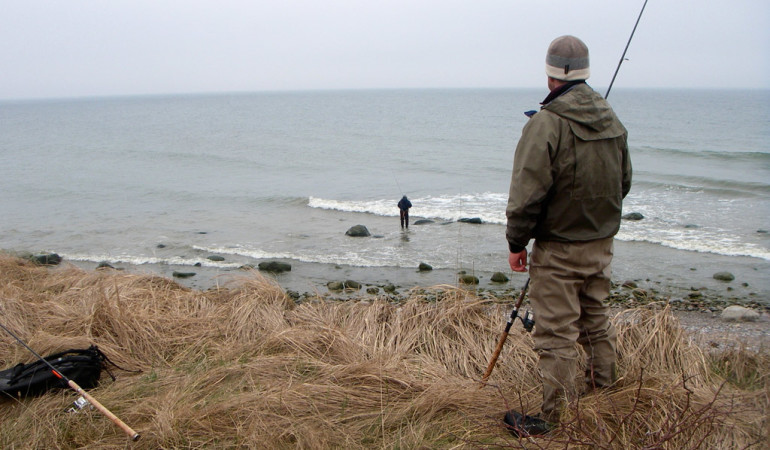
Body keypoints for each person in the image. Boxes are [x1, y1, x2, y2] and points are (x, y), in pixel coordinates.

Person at [503, 35, 632, 437]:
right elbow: (623, 182)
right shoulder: (610, 117)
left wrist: (516, 243)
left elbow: (527, 191)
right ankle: (606, 397)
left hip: (559, 248)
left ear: (550, 74)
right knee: (595, 321)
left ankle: (551, 418)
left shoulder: (547, 123)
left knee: (556, 332)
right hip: (601, 244)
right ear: (585, 72)